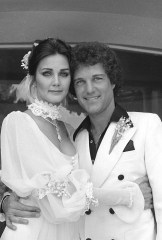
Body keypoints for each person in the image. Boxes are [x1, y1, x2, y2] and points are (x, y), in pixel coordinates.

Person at [0, 38, 146, 240]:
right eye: (47, 73)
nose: (57, 82)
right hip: (33, 231)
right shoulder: (19, 123)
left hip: (70, 232)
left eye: (64, 74)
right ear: (33, 78)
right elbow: (58, 197)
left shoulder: (71, 127)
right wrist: (128, 196)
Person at [69, 42, 162, 240]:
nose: (89, 89)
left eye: (98, 78)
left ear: (112, 81)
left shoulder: (146, 125)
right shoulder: (74, 138)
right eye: (80, 82)